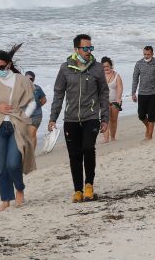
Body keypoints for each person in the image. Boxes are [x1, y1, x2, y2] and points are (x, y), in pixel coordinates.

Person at [49, 34, 109, 203]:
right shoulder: (65, 68)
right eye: (86, 48)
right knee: (74, 155)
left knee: (88, 148)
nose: (89, 51)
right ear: (76, 49)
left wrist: (104, 117)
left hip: (91, 117)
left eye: (91, 48)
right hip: (71, 119)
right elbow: (59, 93)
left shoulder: (97, 68)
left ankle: (89, 185)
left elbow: (104, 93)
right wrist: (53, 117)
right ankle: (77, 190)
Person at [0, 45, 36, 212]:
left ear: (9, 64)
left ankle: (19, 189)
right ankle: (5, 200)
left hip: (16, 125)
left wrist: (24, 117)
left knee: (13, 163)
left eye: (1, 67)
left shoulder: (21, 80)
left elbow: (32, 101)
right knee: (1, 165)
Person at [132, 45, 155, 141]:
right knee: (141, 115)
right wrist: (133, 93)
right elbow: (135, 79)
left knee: (151, 115)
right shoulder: (138, 64)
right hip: (142, 93)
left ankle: (149, 135)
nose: (146, 56)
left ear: (152, 54)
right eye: (144, 54)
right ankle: (148, 127)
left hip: (154, 93)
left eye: (148, 54)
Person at [101, 57, 123, 143]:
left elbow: (120, 88)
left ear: (111, 66)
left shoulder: (116, 75)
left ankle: (113, 137)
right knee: (104, 120)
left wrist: (118, 98)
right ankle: (106, 139)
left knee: (113, 120)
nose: (106, 68)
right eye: (104, 67)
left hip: (115, 101)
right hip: (103, 101)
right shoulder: (99, 76)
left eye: (107, 66)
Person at [24, 71, 47, 152]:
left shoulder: (37, 88)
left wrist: (37, 107)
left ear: (33, 79)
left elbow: (44, 100)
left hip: (36, 115)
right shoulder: (20, 89)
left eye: (31, 79)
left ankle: (31, 154)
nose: (29, 80)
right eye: (27, 78)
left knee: (32, 133)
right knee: (25, 135)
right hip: (24, 115)